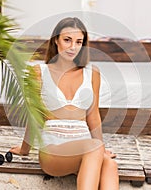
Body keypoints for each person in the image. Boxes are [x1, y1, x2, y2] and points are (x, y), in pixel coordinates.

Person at [10, 17, 119, 190]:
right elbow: (34, 116)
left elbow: (93, 116)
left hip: (86, 149)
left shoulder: (93, 74)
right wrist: (25, 149)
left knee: (110, 165)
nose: (73, 47)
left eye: (78, 42)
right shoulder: (39, 72)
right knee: (94, 147)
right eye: (67, 40)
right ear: (56, 40)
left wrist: (101, 151)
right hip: (53, 150)